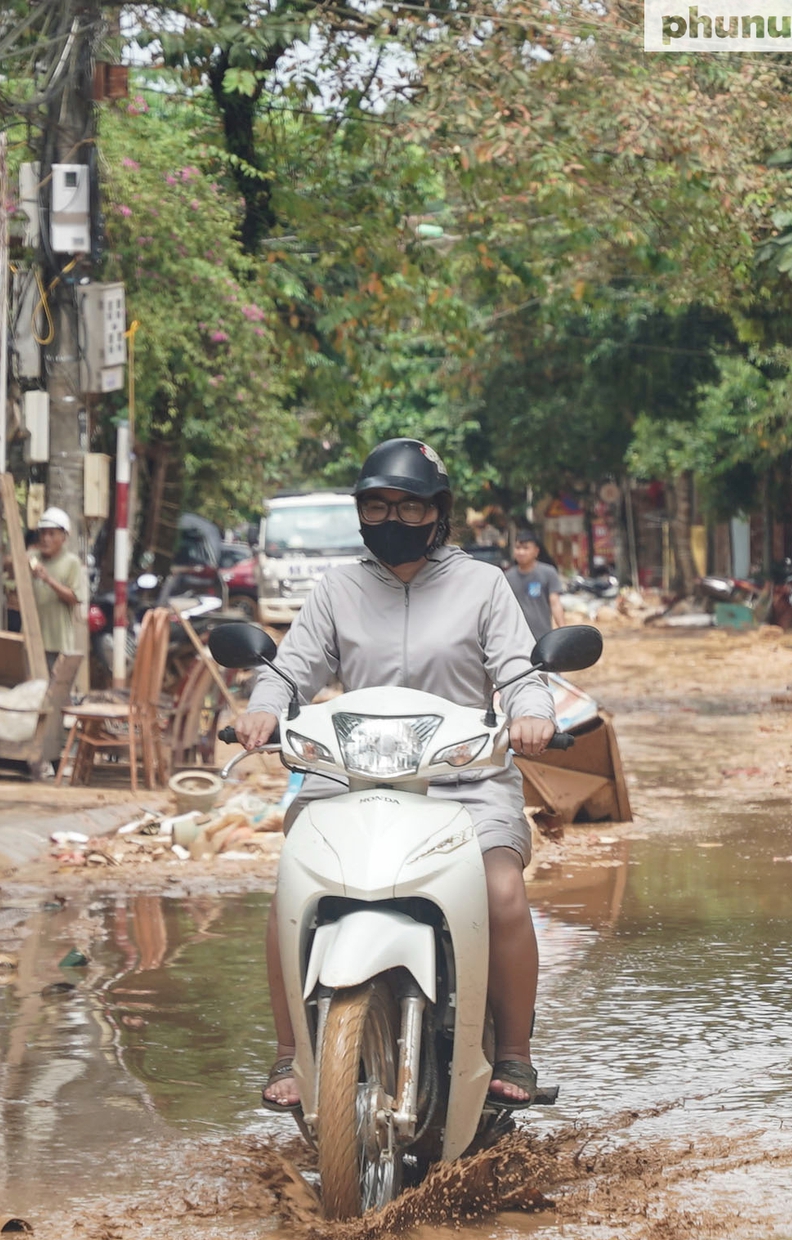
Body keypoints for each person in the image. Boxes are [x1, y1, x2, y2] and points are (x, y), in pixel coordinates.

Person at [231, 438, 557, 1112]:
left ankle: (516, 1057)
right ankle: (293, 1050)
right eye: (377, 505)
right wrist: (262, 709)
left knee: (501, 893)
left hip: (462, 777)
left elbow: (520, 671)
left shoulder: (483, 586)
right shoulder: (338, 589)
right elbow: (290, 671)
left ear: (439, 513)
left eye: (409, 508)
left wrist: (531, 714)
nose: (392, 519)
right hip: (350, 778)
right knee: (294, 889)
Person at [29, 506, 89, 671]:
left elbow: (75, 598)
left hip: (58, 643)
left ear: (63, 537)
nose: (46, 539)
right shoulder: (33, 558)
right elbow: (10, 563)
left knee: (55, 692)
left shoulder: (71, 562)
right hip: (32, 640)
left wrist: (48, 580)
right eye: (43, 533)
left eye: (51, 534)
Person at [503, 530, 565, 640]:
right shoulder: (507, 577)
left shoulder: (548, 573)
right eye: (518, 548)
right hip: (516, 638)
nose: (521, 552)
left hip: (542, 637)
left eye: (526, 548)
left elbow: (555, 603)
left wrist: (563, 631)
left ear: (536, 551)